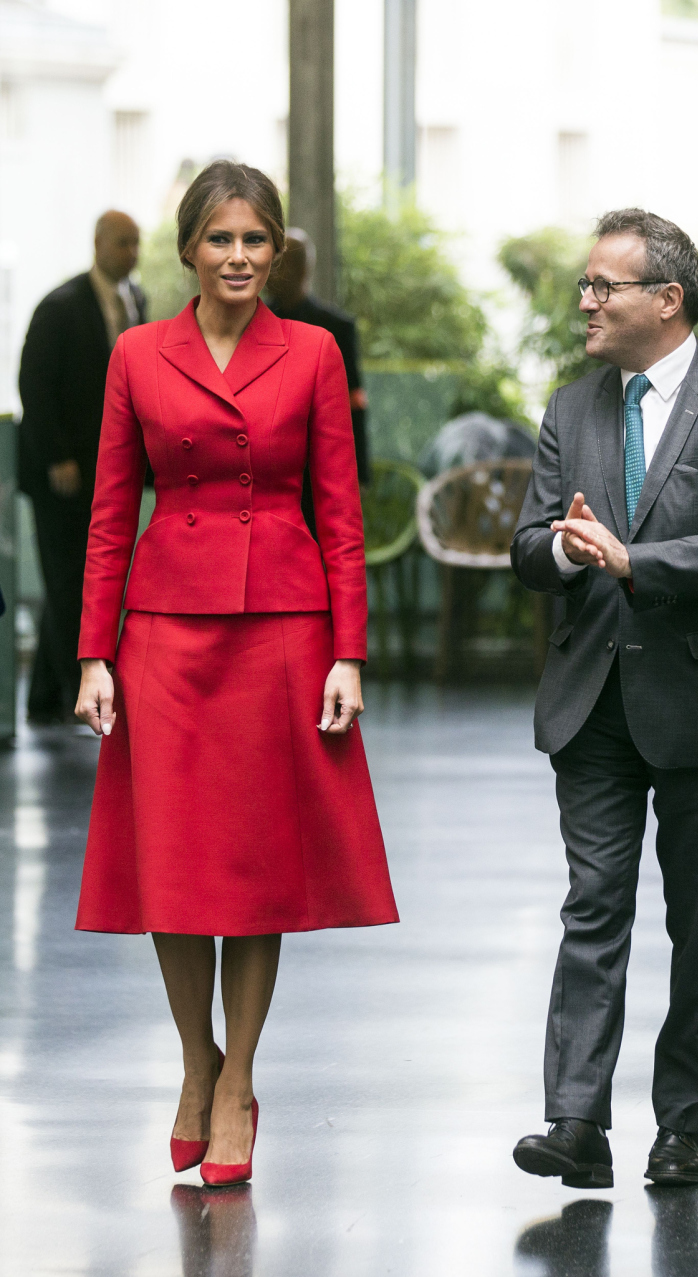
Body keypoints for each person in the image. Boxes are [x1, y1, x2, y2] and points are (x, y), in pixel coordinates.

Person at [74, 160, 398, 1186]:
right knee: (171, 860)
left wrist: (348, 649)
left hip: (283, 630)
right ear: (188, 250)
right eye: (221, 239)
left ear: (277, 250)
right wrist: (93, 650)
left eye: (256, 240)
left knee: (256, 865)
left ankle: (236, 1079)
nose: (240, 257)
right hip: (164, 632)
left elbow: (340, 514)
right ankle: (192, 1060)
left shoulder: (310, 352)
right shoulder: (136, 352)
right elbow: (109, 512)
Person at [510, 209, 698, 1189]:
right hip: (591, 699)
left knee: (697, 919)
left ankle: (680, 1126)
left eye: (602, 286)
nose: (583, 301)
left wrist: (634, 559)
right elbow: (527, 543)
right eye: (584, 285)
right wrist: (560, 543)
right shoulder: (568, 408)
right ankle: (575, 1120)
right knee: (593, 904)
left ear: (664, 300)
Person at [19, 211, 146, 722]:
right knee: (68, 579)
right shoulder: (60, 305)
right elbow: (35, 385)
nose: (131, 253)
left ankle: (45, 697)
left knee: (72, 579)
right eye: (122, 243)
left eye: (136, 244)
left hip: (106, 470)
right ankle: (79, 693)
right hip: (63, 472)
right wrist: (58, 458)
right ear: (97, 243)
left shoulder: (135, 301)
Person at [265, 228, 370, 484]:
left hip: (316, 470)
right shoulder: (247, 322)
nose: (273, 270)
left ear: (303, 270)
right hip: (264, 469)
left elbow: (353, 404)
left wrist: (358, 473)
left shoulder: (336, 328)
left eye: (281, 263)